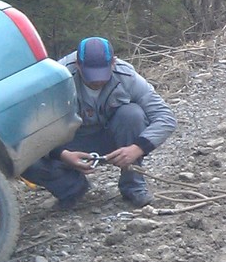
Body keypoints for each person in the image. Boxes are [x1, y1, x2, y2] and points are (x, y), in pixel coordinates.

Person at [22, 36, 177, 209]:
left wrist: (137, 148)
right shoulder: (57, 79)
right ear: (77, 64)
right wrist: (62, 154)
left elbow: (166, 117)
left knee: (132, 114)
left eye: (103, 73)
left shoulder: (127, 76)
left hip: (111, 137)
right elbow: (33, 130)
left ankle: (133, 187)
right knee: (24, 159)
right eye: (90, 74)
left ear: (113, 63)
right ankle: (73, 190)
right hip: (70, 142)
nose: (97, 81)